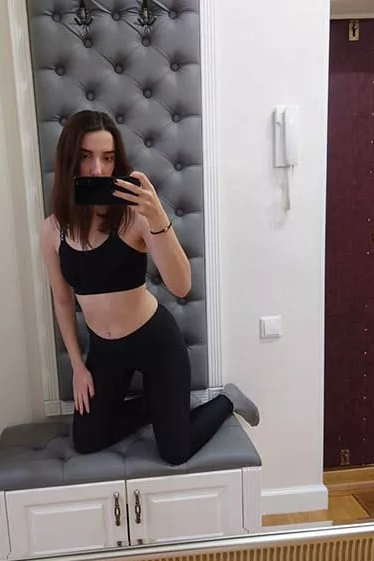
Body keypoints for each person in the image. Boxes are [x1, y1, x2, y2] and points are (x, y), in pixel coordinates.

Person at [40, 109, 256, 465]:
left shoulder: (134, 216)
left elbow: (181, 286)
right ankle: (160, 405)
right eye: (86, 157)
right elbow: (63, 301)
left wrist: (157, 218)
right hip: (104, 351)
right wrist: (78, 367)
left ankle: (227, 399)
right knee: (86, 440)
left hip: (154, 342)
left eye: (107, 158)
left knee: (175, 453)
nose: (97, 170)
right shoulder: (53, 230)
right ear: (68, 161)